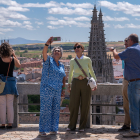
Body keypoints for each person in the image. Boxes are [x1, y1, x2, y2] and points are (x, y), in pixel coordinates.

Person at [110, 34, 140, 138]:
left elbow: (116, 56)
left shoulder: (130, 50)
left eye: (127, 41)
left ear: (131, 41)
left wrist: (113, 49)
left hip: (133, 81)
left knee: (133, 107)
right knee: (137, 106)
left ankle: (134, 130)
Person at [67, 43, 97, 132]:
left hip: (85, 82)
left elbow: (91, 71)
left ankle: (82, 126)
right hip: (75, 82)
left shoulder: (87, 59)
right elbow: (70, 73)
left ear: (82, 49)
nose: (76, 48)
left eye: (78, 47)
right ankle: (72, 125)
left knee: (85, 105)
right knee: (73, 105)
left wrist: (95, 83)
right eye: (75, 47)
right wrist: (69, 85)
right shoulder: (72, 60)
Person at [39, 37, 66, 136]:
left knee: (55, 110)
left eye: (58, 51)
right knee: (45, 110)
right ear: (52, 52)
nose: (56, 51)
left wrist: (63, 89)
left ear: (61, 54)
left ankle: (54, 129)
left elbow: (63, 77)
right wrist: (47, 43)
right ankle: (42, 130)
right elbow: (44, 53)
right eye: (55, 50)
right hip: (47, 89)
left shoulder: (62, 65)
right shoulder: (48, 61)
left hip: (57, 90)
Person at [0, 42, 21, 129]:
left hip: (1, 83)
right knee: (10, 104)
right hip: (11, 83)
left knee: (2, 104)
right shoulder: (12, 59)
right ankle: (10, 124)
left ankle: (2, 124)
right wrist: (14, 55)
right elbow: (19, 65)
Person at [118, 38, 131, 131]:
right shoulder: (126, 54)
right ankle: (127, 124)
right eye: (124, 44)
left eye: (126, 44)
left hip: (133, 81)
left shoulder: (134, 53)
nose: (125, 46)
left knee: (133, 105)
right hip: (126, 80)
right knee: (126, 105)